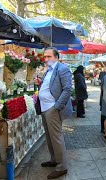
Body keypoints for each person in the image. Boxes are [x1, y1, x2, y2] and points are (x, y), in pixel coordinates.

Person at [34, 47, 72, 179]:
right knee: (49, 136)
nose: (46, 59)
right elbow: (49, 87)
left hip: (52, 108)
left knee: (56, 137)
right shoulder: (48, 70)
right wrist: (40, 84)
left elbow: (67, 89)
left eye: (48, 56)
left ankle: (62, 167)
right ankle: (54, 159)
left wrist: (57, 107)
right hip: (44, 107)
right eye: (44, 57)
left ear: (56, 57)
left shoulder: (62, 69)